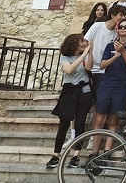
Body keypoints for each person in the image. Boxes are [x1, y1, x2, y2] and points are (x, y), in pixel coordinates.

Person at [94, 17, 126, 155]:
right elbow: (102, 65)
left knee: (114, 120)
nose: (123, 29)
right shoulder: (110, 46)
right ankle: (94, 152)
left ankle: (107, 152)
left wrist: (123, 52)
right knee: (100, 119)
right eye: (121, 27)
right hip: (107, 84)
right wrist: (115, 56)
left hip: (122, 85)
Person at [47, 34, 93, 169]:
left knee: (80, 122)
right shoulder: (65, 58)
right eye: (81, 42)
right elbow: (69, 70)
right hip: (69, 91)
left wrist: (90, 54)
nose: (84, 44)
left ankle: (76, 155)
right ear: (74, 44)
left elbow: (89, 68)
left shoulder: (85, 56)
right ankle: (56, 155)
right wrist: (83, 55)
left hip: (84, 91)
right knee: (64, 123)